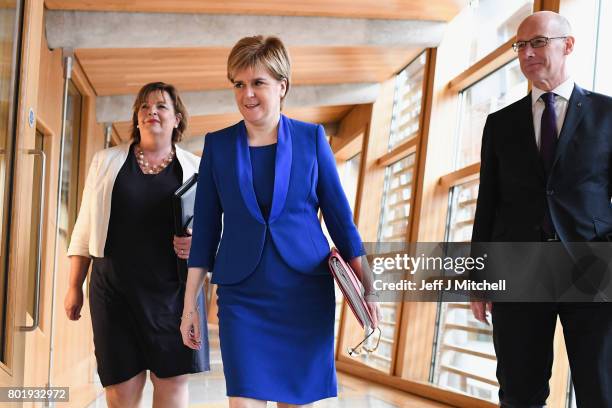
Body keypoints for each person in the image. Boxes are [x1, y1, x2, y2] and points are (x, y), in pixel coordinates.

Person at [180, 35, 380, 408]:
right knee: (243, 402)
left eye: (258, 83)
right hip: (242, 295)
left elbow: (340, 220)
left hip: (304, 292)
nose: (247, 94)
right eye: (239, 84)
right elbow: (206, 230)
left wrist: (368, 287)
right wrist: (190, 303)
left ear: (282, 85)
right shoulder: (218, 146)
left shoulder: (311, 139)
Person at [470, 11, 612, 407]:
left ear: (567, 45)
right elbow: (488, 203)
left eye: (537, 42)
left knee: (601, 389)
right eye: (520, 45)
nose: (527, 53)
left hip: (594, 271)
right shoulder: (499, 124)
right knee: (518, 391)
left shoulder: (607, 115)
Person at [64, 82, 209, 408]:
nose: (151, 112)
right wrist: (74, 285)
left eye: (160, 106)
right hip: (114, 293)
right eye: (144, 107)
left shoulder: (198, 168)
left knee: (171, 389)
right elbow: (85, 227)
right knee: (121, 392)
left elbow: (216, 231)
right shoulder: (105, 161)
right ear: (136, 117)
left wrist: (198, 244)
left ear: (177, 118)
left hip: (175, 295)